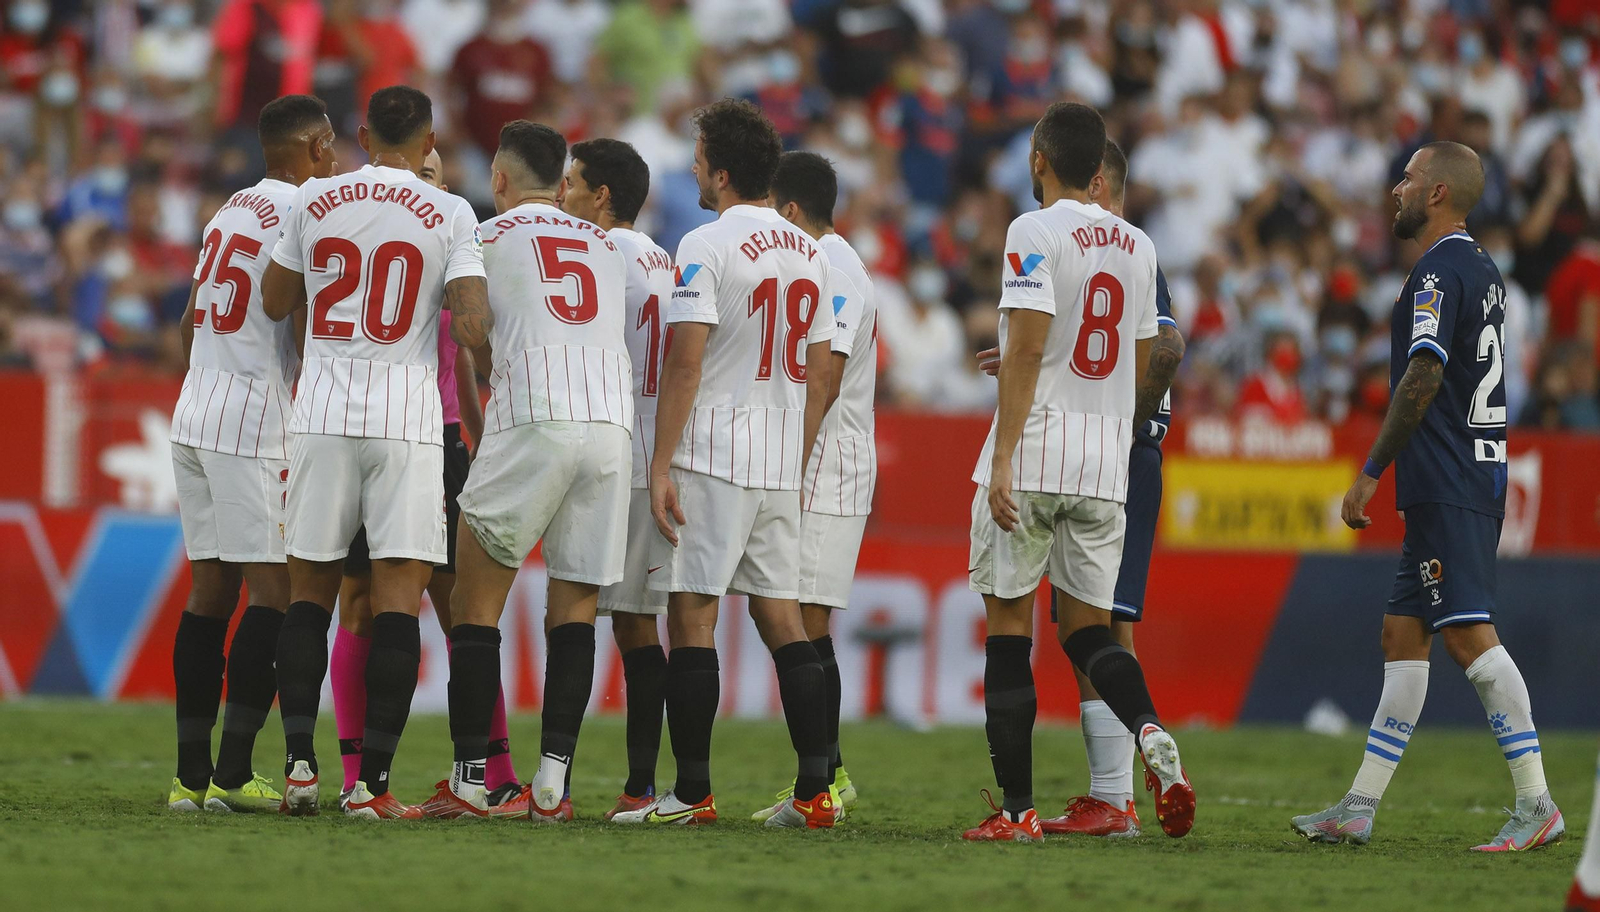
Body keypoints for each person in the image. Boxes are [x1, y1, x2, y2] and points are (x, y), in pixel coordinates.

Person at [1292, 142, 1562, 851]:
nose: (1395, 190)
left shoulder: (1438, 273)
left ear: (1438, 193)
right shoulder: (1485, 269)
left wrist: (1370, 470)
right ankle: (1359, 805)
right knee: (1402, 633)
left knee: (1470, 637)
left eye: (1409, 179)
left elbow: (1422, 376)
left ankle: (1537, 804)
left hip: (1449, 479)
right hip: (1462, 474)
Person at [963, 102, 1194, 843]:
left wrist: (1002, 457)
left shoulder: (1031, 230)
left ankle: (1017, 812)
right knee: (1091, 632)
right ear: (1101, 167)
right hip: (1103, 462)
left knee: (1008, 625)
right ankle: (1151, 731)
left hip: (1034, 450)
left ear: (1039, 161)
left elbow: (1029, 352)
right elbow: (1137, 361)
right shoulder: (1138, 244)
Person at [261, 84, 491, 819]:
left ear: (361, 134)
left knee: (310, 598)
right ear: (430, 141)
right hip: (406, 421)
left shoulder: (313, 200)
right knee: (398, 602)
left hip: (322, 410)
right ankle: (373, 788)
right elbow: (473, 328)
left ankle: (300, 766)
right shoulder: (453, 212)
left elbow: (273, 300)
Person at [612, 98, 837, 829]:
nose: (695, 169)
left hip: (713, 450)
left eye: (701, 157)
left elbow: (685, 364)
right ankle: (814, 795)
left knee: (693, 618)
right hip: (776, 455)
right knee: (782, 620)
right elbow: (816, 365)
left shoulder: (705, 244)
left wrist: (661, 464)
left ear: (724, 169)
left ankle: (692, 794)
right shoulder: (809, 249)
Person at [430, 120, 632, 822]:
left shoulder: (481, 238)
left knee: (473, 604)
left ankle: (470, 780)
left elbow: (472, 328)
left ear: (499, 181)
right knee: (574, 609)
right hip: (610, 432)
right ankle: (554, 783)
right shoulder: (612, 245)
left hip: (534, 416)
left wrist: (487, 356)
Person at [328, 148, 523, 818]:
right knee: (359, 605)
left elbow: (471, 364)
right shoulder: (380, 242)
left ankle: (495, 772)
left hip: (439, 444)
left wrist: (480, 444)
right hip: (381, 433)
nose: (424, 185)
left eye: (435, 176)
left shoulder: (455, 242)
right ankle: (358, 774)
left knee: (460, 611)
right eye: (420, 172)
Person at [165, 93, 336, 813]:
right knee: (276, 593)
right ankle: (234, 776)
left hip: (195, 406)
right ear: (311, 148)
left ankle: (189, 779)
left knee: (210, 594)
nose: (335, 156)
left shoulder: (229, 208)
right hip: (252, 417)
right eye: (329, 144)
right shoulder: (306, 211)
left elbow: (185, 319)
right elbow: (288, 311)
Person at [749, 150, 875, 823]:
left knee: (802, 616)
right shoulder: (832, 263)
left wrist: (787, 467)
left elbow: (823, 376)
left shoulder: (835, 269)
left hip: (826, 457)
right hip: (818, 451)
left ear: (791, 211)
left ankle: (820, 786)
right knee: (796, 615)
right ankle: (830, 773)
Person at [558, 136, 675, 821]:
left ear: (602, 195)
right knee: (638, 627)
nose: (564, 193)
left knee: (571, 614)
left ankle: (556, 780)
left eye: (573, 183)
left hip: (608, 450)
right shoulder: (665, 257)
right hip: (653, 453)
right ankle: (638, 784)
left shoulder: (599, 256)